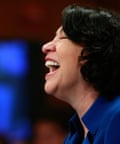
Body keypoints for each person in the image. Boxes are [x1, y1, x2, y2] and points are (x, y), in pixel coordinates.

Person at [41, 4, 120, 144]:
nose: (45, 47)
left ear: (92, 50)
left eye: (61, 37)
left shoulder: (117, 118)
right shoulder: (76, 132)